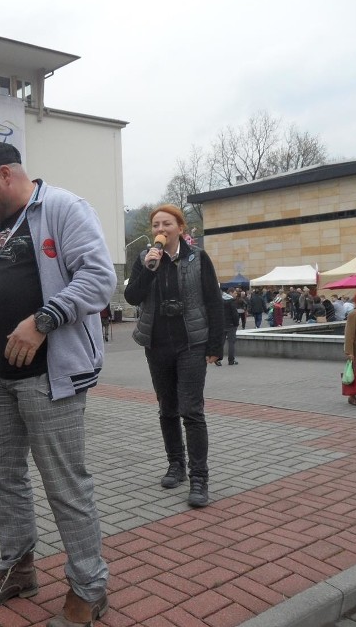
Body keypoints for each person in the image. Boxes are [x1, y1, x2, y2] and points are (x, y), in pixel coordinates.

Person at [0, 143, 114, 627]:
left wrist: (44, 320)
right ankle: (20, 568)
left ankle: (88, 588)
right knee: (2, 474)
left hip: (51, 375)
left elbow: (99, 278)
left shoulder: (64, 208)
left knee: (65, 484)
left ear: (7, 174)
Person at [125, 204, 223, 509]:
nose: (160, 230)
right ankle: (176, 466)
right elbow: (132, 297)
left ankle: (199, 478)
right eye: (155, 225)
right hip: (157, 343)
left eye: (166, 224)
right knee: (167, 409)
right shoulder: (145, 258)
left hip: (191, 342)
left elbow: (214, 301)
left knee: (191, 410)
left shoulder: (198, 258)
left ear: (180, 228)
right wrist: (149, 270)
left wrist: (215, 346)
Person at [218, 289, 239, 366]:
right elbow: (234, 314)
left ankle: (218, 359)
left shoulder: (219, 300)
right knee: (231, 343)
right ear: (230, 293)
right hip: (231, 325)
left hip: (221, 324)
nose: (236, 294)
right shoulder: (231, 301)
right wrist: (236, 323)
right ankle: (231, 360)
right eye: (235, 293)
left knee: (221, 343)